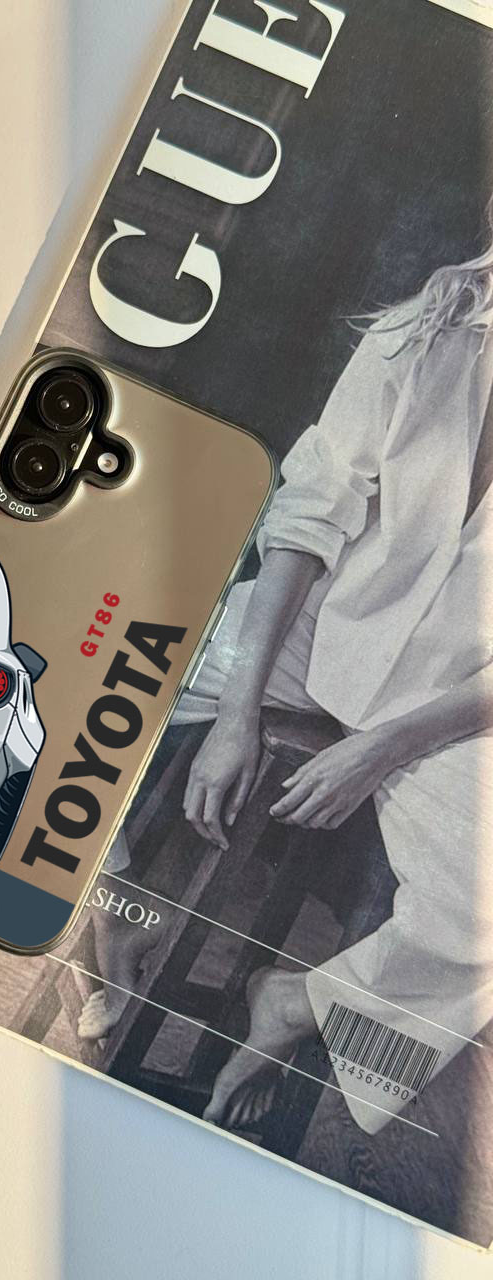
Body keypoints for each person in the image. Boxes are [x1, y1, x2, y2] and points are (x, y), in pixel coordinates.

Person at [80, 228, 493, 1134]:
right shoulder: (419, 335)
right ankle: (113, 912)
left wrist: (385, 745)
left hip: (459, 704)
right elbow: (309, 515)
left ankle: (302, 1007)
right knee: (81, 665)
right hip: (320, 629)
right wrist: (237, 712)